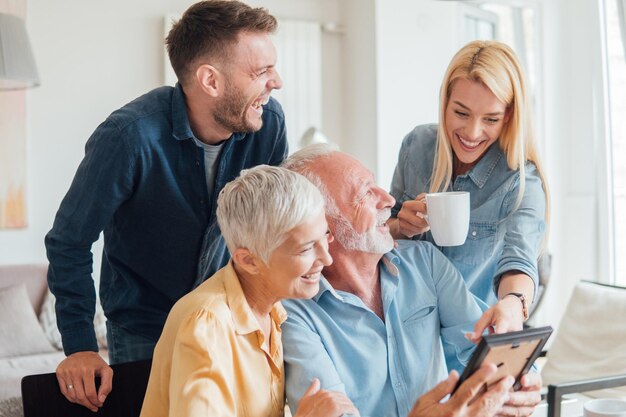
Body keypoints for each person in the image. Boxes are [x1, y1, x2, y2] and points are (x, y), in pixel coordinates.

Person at [45, 0, 286, 411]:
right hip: (145, 327)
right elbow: (69, 241)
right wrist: (80, 347)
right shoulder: (127, 138)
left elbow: (276, 225)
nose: (276, 82)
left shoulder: (267, 123)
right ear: (210, 79)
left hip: (234, 320)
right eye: (261, 71)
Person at [281, 144, 542, 417]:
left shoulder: (424, 263)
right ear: (322, 226)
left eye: (376, 185)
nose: (389, 201)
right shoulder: (296, 312)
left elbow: (484, 347)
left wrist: (518, 382)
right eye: (364, 195)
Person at [140, 165, 358, 417]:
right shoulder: (207, 325)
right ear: (248, 261)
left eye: (325, 235)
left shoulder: (273, 310)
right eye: (306, 248)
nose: (327, 259)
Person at [388, 40, 549, 366]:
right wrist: (398, 226)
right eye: (461, 113)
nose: (472, 132)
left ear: (509, 116)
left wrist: (513, 303)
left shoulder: (521, 182)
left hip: (468, 351)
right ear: (445, 102)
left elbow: (519, 262)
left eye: (490, 119)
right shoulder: (417, 146)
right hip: (401, 343)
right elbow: (382, 233)